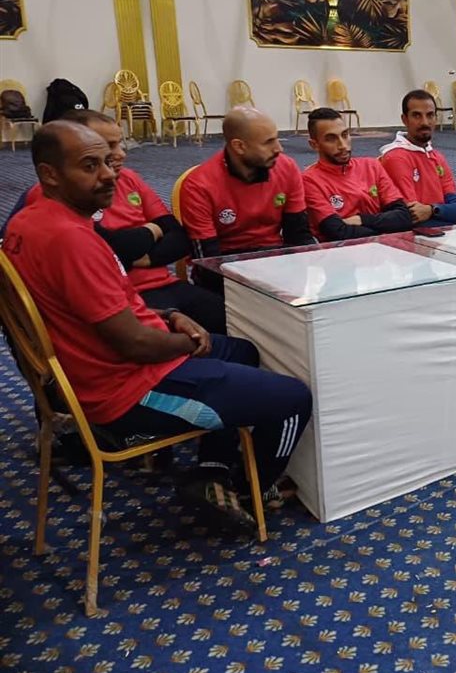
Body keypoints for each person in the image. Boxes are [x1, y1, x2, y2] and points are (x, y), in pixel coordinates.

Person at [3, 121, 311, 528]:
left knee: (243, 350)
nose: (109, 174)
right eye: (90, 166)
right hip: (125, 390)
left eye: (108, 161)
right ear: (50, 174)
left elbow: (100, 308)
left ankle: (213, 472)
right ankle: (250, 490)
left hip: (105, 360)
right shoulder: (71, 240)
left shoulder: (28, 222)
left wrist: (169, 317)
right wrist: (191, 342)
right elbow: (135, 344)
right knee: (293, 399)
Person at [3, 110, 226, 333]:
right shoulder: (55, 196)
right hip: (121, 298)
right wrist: (152, 231)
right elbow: (108, 249)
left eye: (119, 144)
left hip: (166, 284)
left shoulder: (129, 179)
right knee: (196, 342)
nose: (121, 154)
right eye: (109, 146)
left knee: (235, 321)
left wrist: (142, 257)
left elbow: (179, 238)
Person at [179, 106, 315, 257]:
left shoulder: (287, 168)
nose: (279, 148)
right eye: (268, 142)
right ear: (239, 146)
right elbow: (207, 257)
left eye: (277, 139)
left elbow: (298, 234)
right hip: (226, 261)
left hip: (274, 256)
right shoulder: (198, 185)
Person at [302, 107, 413, 241]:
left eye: (345, 135)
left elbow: (403, 217)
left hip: (383, 250)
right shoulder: (309, 181)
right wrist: (385, 227)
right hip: (340, 251)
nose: (343, 145)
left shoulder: (372, 166)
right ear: (314, 145)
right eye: (331, 139)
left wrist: (361, 220)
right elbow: (337, 232)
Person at [378, 90, 456, 228]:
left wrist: (431, 210)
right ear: (404, 119)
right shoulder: (396, 158)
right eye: (417, 115)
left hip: (440, 233)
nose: (425, 122)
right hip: (413, 237)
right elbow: (412, 218)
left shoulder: (437, 157)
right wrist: (445, 213)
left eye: (430, 115)